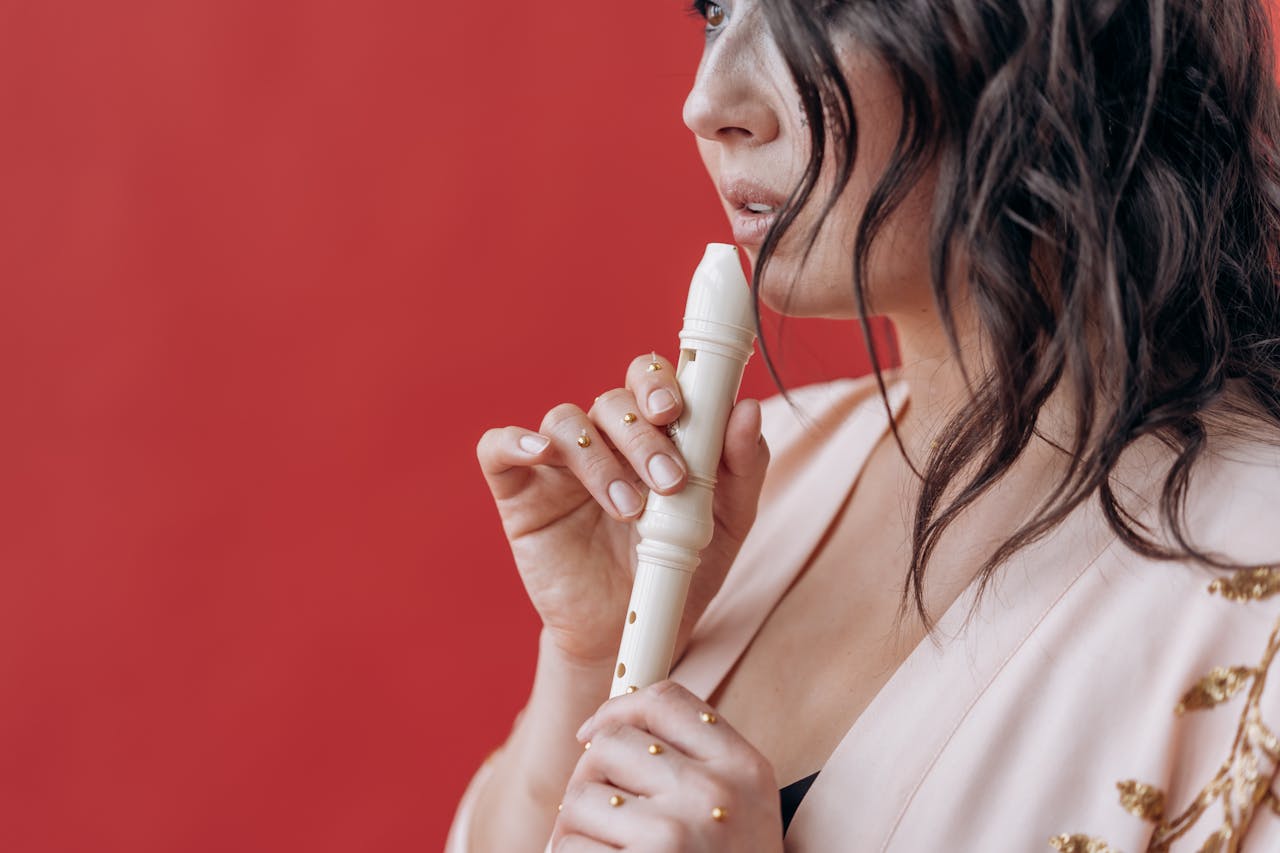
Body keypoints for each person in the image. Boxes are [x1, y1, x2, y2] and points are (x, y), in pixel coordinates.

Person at [448, 0, 1280, 849]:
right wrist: (594, 660)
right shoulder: (756, 480)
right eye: (715, 12)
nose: (707, 101)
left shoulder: (1257, 596)